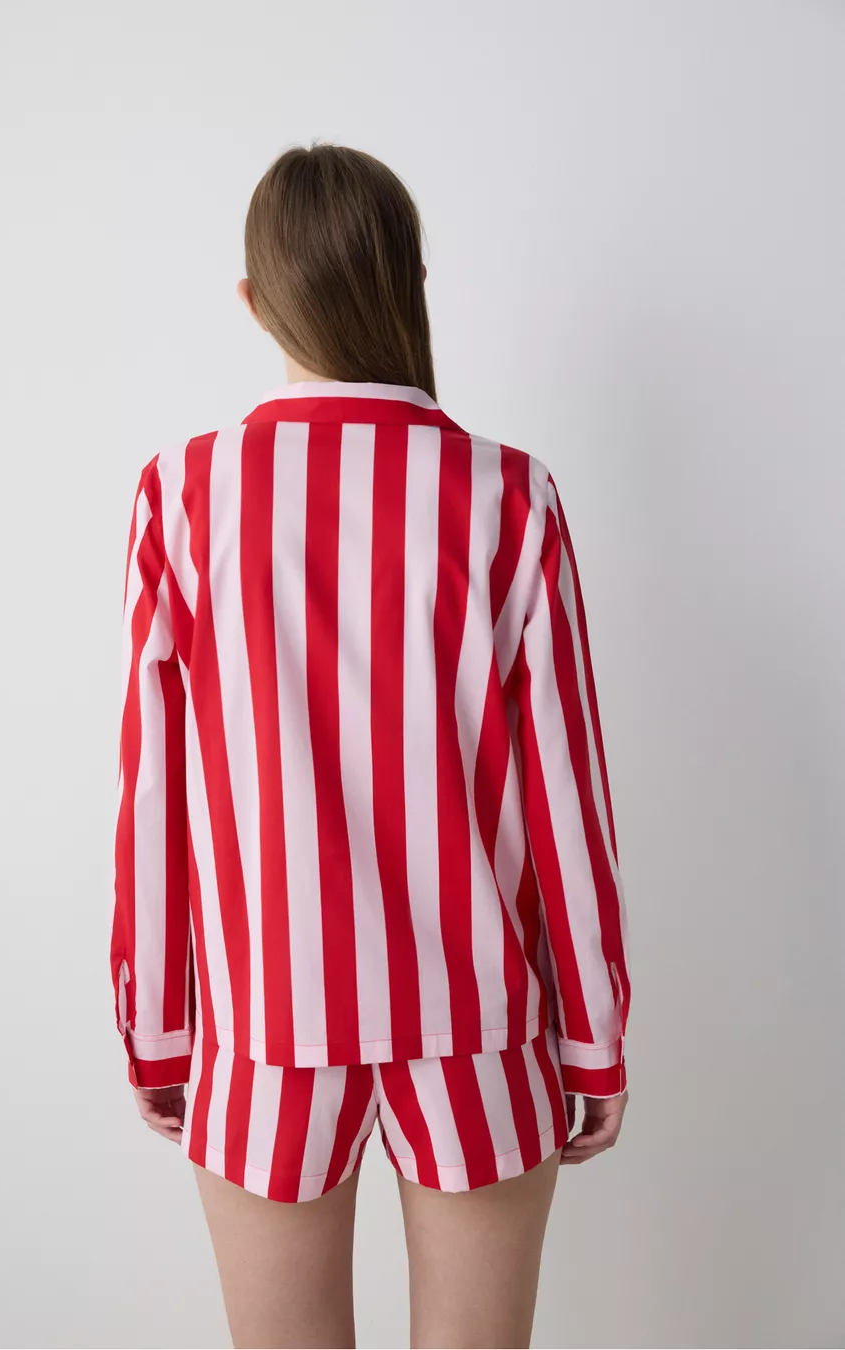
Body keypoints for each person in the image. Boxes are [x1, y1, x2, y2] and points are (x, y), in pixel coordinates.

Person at [109, 141, 631, 1350]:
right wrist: (594, 1039)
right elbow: (566, 792)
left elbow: (154, 790)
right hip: (479, 1023)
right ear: (413, 282)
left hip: (264, 1024)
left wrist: (156, 1026)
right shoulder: (508, 495)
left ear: (255, 300)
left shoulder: (183, 494)